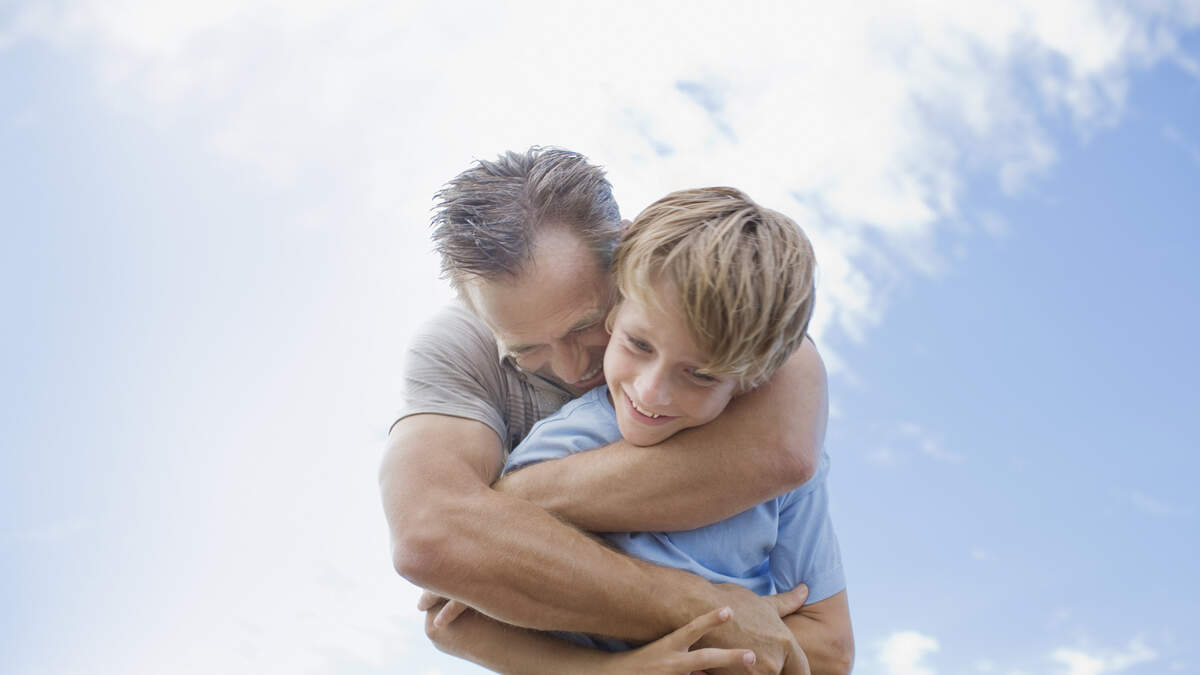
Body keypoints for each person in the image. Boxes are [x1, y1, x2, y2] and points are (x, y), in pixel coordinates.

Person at [379, 147, 853, 674]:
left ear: (625, 254)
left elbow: (787, 451)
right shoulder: (462, 355)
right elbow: (436, 547)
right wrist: (708, 617)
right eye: (526, 349)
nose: (570, 368)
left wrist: (496, 513)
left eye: (585, 324)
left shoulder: (710, 294)